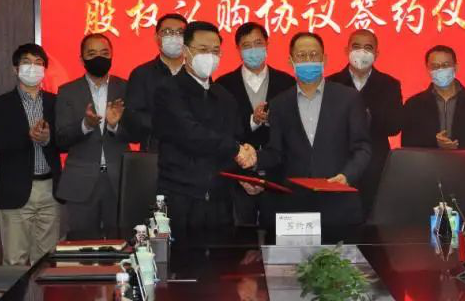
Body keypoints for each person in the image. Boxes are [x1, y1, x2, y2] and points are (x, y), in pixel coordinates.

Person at [152, 21, 256, 247]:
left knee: (222, 261)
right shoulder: (168, 90)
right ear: (186, 51)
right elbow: (190, 133)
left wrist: (246, 173)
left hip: (220, 199)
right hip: (182, 197)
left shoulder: (224, 96)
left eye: (215, 50)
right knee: (182, 262)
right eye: (203, 50)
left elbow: (236, 137)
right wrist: (236, 149)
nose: (210, 56)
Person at [257, 32, 371, 227]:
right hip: (294, 207)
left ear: (324, 59)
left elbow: (363, 147)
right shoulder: (279, 104)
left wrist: (347, 176)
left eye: (314, 55)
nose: (308, 60)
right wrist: (254, 160)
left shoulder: (349, 98)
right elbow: (275, 152)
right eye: (301, 56)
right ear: (291, 61)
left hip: (338, 202)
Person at [0, 43, 63, 265]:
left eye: (38, 63)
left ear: (45, 69)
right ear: (15, 68)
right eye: (27, 62)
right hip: (15, 190)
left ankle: (42, 292)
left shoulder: (56, 103)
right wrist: (26, 137)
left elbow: (66, 140)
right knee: (14, 261)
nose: (33, 67)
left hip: (49, 189)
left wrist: (47, 139)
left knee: (47, 262)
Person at [215, 21, 295, 225]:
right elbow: (221, 132)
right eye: (246, 45)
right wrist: (253, 120)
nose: (253, 50)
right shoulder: (223, 85)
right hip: (237, 177)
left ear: (267, 44)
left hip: (278, 177)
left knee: (275, 237)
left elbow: (292, 133)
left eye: (258, 43)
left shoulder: (287, 83)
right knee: (239, 238)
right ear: (238, 49)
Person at [55, 33, 133, 238]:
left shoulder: (126, 88)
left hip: (119, 180)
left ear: (112, 55)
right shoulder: (67, 91)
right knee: (81, 244)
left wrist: (115, 126)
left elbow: (137, 133)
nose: (99, 58)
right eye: (92, 54)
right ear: (82, 59)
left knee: (121, 243)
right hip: (80, 181)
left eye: (104, 53)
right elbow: (61, 138)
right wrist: (85, 125)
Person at [327, 29, 402, 211]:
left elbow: (394, 126)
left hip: (376, 164)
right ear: (347, 50)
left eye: (368, 48)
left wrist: (369, 116)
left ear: (377, 53)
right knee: (339, 214)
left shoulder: (389, 84)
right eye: (356, 47)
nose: (362, 52)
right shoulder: (331, 83)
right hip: (340, 164)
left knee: (374, 216)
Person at [401, 44, 465, 150]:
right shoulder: (414, 105)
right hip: (427, 160)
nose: (440, 70)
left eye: (445, 65)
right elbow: (407, 144)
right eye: (435, 66)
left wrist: (457, 146)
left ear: (455, 67)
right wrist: (435, 143)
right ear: (428, 69)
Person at [125, 13, 187, 151]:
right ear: (156, 37)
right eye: (167, 32)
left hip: (192, 155)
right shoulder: (141, 74)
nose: (174, 37)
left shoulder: (197, 72)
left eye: (180, 32)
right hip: (155, 153)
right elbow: (133, 116)